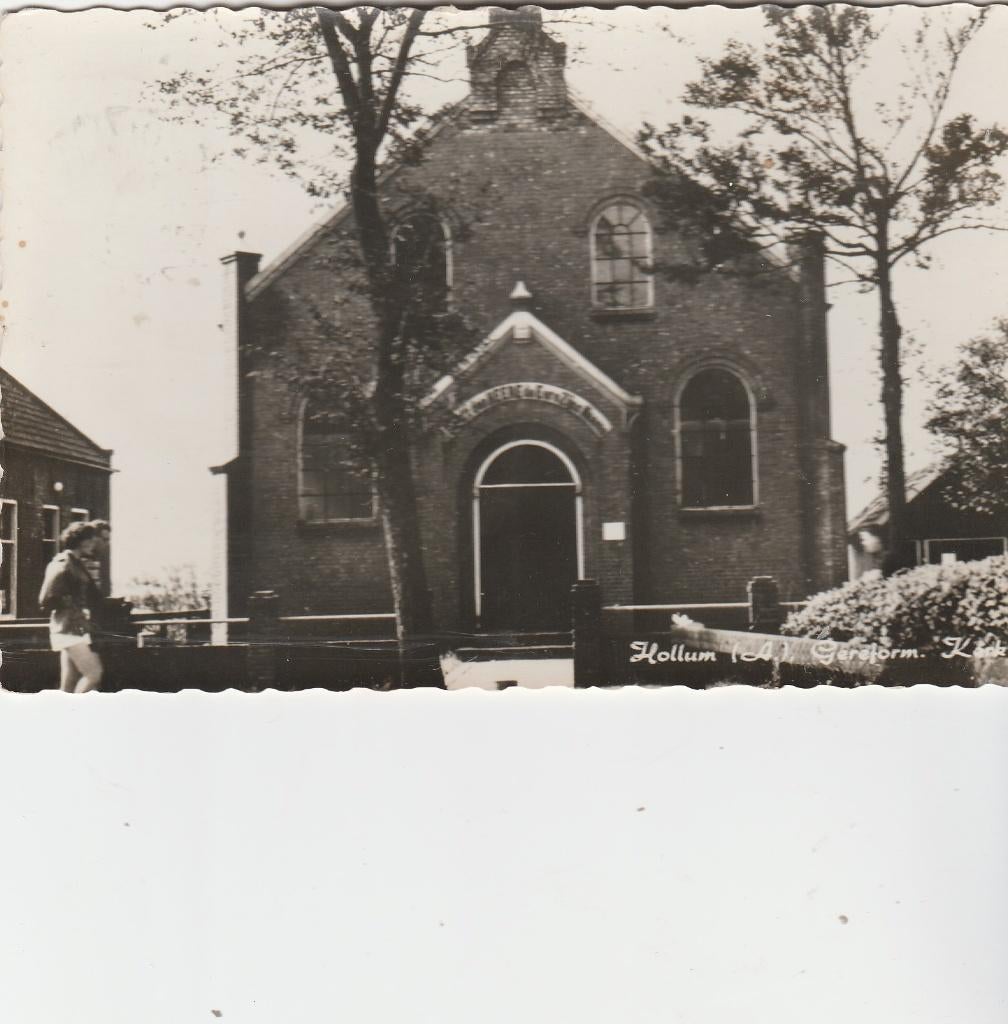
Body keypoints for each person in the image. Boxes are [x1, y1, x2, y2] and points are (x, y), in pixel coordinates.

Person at [38, 521, 104, 693]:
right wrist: (72, 606)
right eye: (90, 540)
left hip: (74, 628)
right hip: (68, 628)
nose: (93, 544)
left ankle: (61, 716)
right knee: (94, 674)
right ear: (80, 540)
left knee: (69, 684)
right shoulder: (63, 563)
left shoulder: (76, 563)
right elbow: (46, 599)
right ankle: (74, 715)